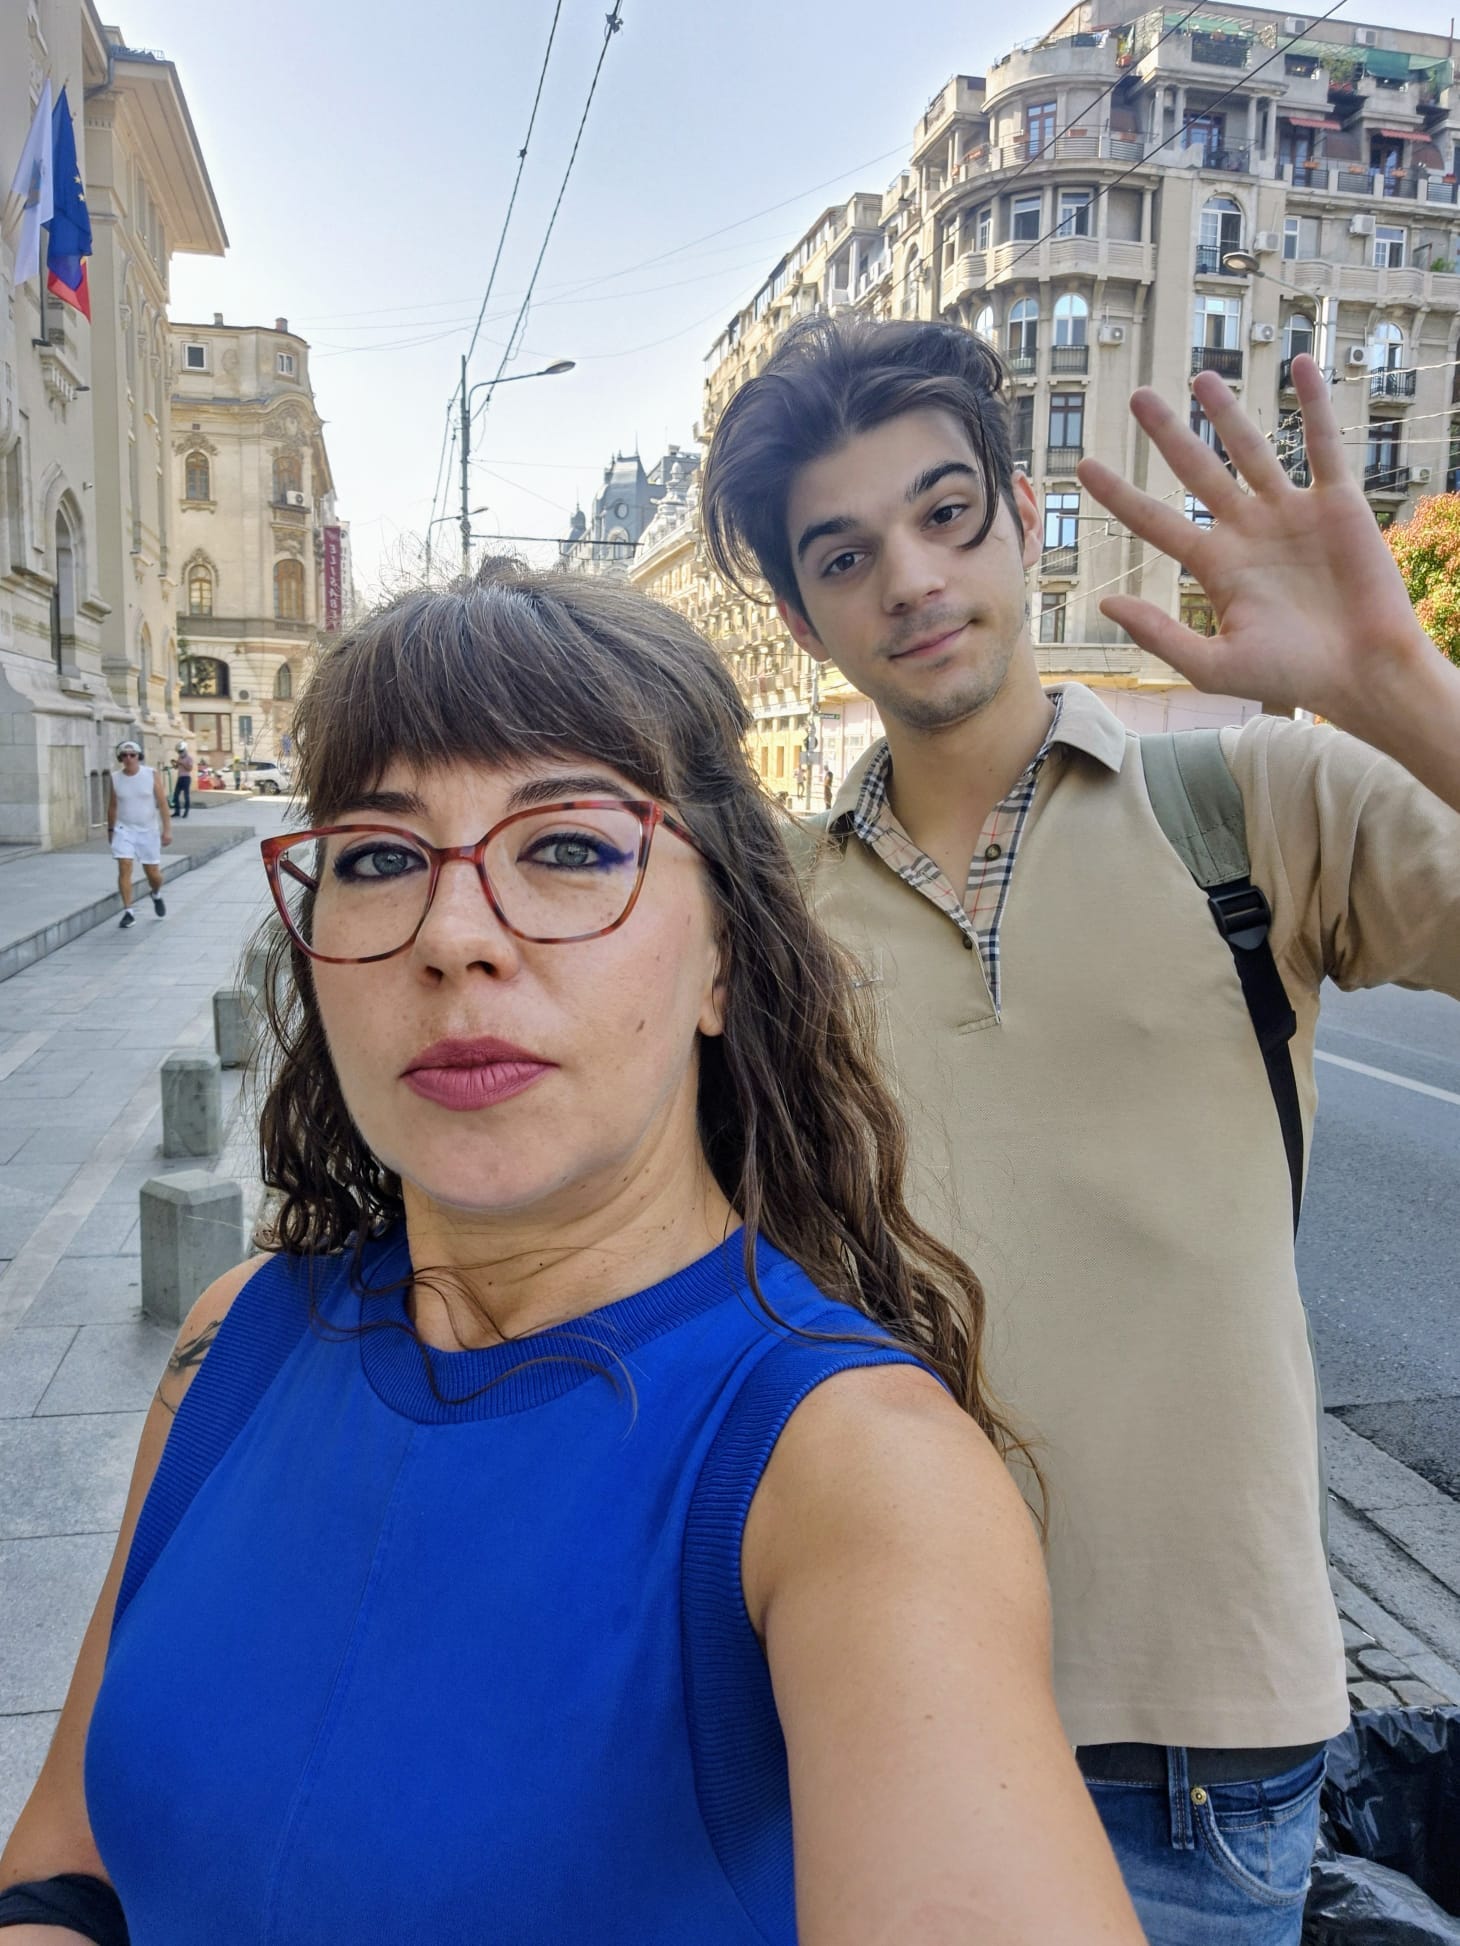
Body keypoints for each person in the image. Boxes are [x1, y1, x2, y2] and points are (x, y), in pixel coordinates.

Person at [0, 566, 1146, 1946]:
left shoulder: (857, 1478)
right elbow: (66, 1854)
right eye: (378, 857)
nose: (454, 936)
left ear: (723, 956)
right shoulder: (233, 1339)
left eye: (569, 846)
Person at [701, 319, 1460, 1944]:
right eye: (846, 554)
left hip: (1203, 1750)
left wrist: (1399, 688)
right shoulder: (769, 918)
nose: (912, 578)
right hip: (872, 1707)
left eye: (945, 513)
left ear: (1019, 513)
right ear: (801, 615)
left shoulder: (1259, 804)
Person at [104, 741, 171, 931]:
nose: (128, 758)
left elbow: (162, 803)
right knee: (124, 866)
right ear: (120, 758)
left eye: (132, 755)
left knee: (153, 874)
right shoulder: (116, 778)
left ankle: (156, 893)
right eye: (124, 755)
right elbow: (112, 806)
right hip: (123, 829)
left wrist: (167, 830)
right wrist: (110, 830)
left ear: (138, 757)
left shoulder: (150, 774)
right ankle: (129, 912)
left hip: (148, 830)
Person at [170, 743, 193, 820]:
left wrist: (182, 763)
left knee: (186, 795)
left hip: (186, 778)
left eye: (181, 751)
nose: (180, 753)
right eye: (179, 752)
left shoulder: (189, 758)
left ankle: (186, 811)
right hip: (180, 778)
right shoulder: (179, 757)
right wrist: (174, 763)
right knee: (176, 795)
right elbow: (176, 767)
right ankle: (177, 811)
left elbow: (189, 769)